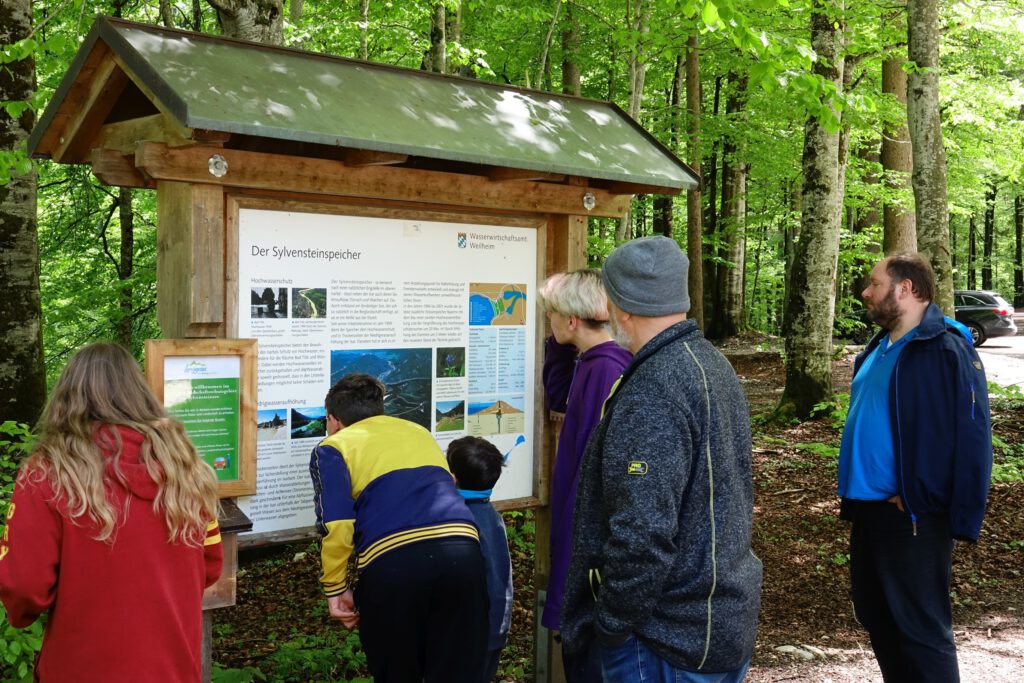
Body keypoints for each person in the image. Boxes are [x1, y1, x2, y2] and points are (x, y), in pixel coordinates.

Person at [561, 236, 762, 683]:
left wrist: (611, 624)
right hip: (712, 622)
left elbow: (643, 534)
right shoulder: (710, 364)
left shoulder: (655, 389)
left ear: (623, 306)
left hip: (663, 641)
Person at [0, 342, 223, 682]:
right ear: (139, 393)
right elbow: (210, 566)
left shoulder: (47, 473)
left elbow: (24, 589)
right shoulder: (186, 469)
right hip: (173, 668)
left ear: (67, 398)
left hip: (81, 668)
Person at [838, 253, 992, 682]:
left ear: (906, 289)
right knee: (879, 618)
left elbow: (972, 437)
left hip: (912, 514)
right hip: (869, 511)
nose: (865, 293)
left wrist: (927, 497)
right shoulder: (878, 347)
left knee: (921, 630)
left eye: (874, 284)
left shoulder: (945, 348)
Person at [309, 373, 488, 683]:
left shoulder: (333, 447)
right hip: (464, 553)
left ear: (334, 419)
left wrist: (335, 587)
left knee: (398, 672)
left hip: (393, 564)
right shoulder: (417, 431)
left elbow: (337, 524)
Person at [538, 268, 631, 682]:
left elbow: (597, 468)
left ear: (572, 320)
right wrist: (559, 348)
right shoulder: (590, 361)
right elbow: (558, 396)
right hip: (578, 532)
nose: (549, 322)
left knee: (586, 661)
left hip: (586, 541)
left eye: (551, 315)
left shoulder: (606, 369)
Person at [446, 436, 513, 683]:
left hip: (467, 635)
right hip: (493, 629)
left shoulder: (459, 521)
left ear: (452, 478)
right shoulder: (490, 516)